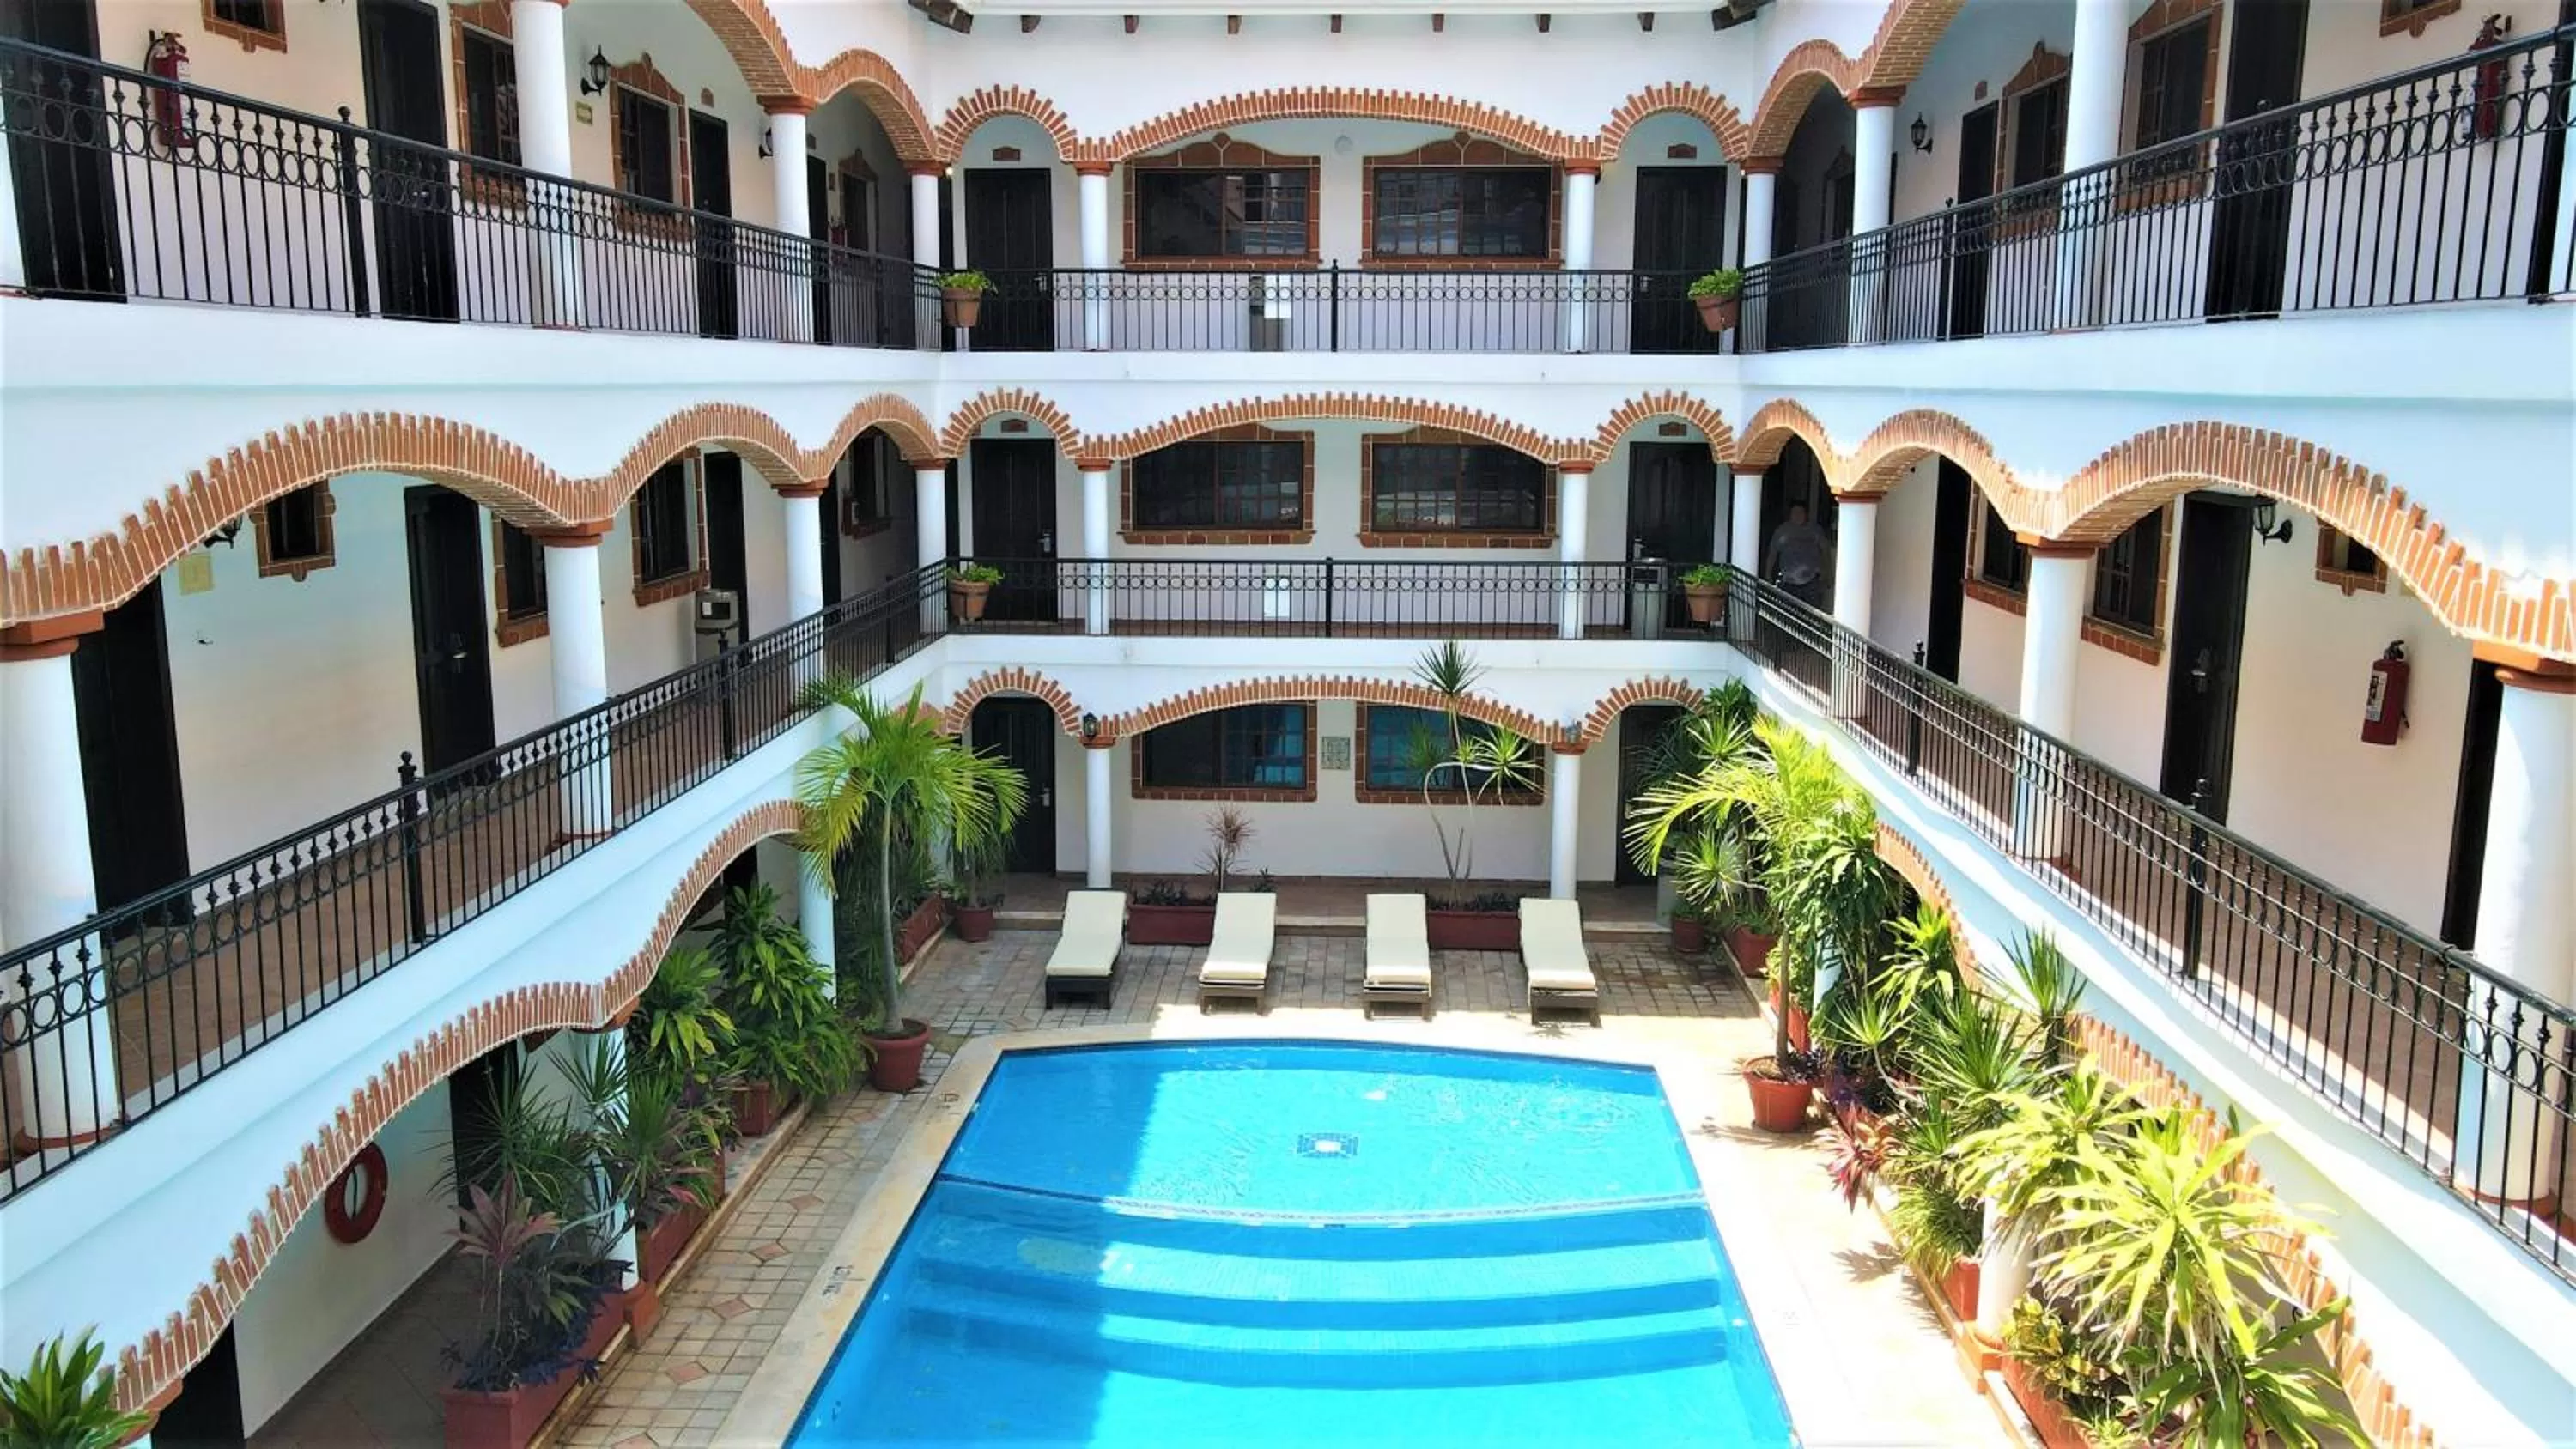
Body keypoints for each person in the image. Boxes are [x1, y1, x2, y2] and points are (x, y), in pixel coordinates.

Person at [1764, 502, 1834, 609]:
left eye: (1800, 512)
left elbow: (1825, 551)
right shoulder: (1782, 530)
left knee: (1812, 616)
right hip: (1788, 581)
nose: (1798, 515)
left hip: (1811, 582)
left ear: (1806, 514)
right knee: (1788, 616)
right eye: (1795, 513)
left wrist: (1827, 573)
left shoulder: (1815, 530)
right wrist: (1768, 574)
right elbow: (1773, 553)